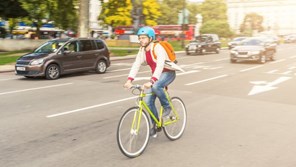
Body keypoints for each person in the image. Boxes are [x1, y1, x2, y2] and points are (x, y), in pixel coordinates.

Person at [123, 26, 177, 137]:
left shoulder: (157, 48)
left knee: (156, 86)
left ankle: (167, 107)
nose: (141, 40)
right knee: (148, 102)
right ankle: (156, 124)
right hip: (157, 76)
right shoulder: (142, 50)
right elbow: (136, 65)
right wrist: (129, 80)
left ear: (150, 38)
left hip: (168, 73)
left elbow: (160, 65)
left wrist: (152, 81)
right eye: (140, 38)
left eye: (143, 38)